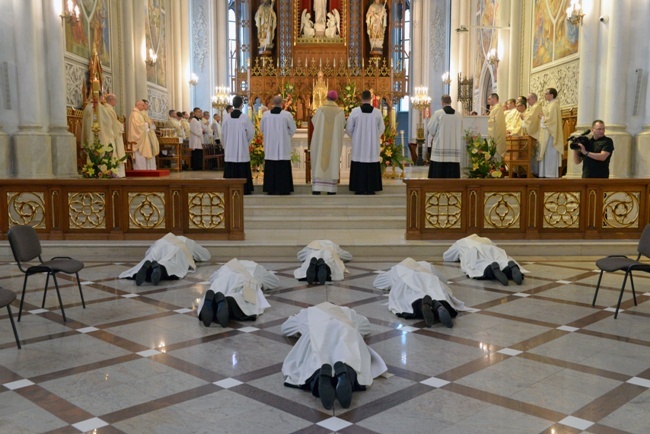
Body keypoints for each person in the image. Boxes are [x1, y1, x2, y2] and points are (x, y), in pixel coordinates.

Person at [281, 302, 387, 410]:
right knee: (350, 356)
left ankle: (319, 377)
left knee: (315, 359)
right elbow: (366, 326)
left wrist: (300, 329)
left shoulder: (308, 312)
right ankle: (346, 374)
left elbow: (285, 328)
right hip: (346, 331)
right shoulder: (348, 312)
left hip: (317, 332)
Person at [373, 258, 468, 328]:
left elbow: (378, 282)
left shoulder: (397, 268)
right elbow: (444, 279)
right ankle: (438, 304)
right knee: (438, 294)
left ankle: (422, 304)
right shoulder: (427, 265)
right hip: (430, 279)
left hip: (407, 280)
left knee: (409, 300)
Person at [197, 258, 279, 327]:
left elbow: (212, 278)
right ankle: (228, 304)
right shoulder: (258, 268)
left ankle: (211, 304)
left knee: (217, 288)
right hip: (246, 278)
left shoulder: (226, 266)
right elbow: (274, 282)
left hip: (224, 276)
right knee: (243, 298)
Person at [119, 233, 211, 286]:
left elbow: (148, 252)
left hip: (159, 245)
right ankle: (159, 269)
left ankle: (146, 269)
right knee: (172, 266)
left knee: (151, 258)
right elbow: (206, 255)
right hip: (178, 248)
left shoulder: (165, 237)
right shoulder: (188, 241)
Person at [443, 234, 528, 286]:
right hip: (493, 249)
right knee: (502, 260)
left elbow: (447, 256)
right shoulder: (486, 239)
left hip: (474, 250)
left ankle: (491, 269)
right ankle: (509, 267)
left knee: (480, 265)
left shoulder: (461, 241)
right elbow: (495, 247)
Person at [346, 90, 385, 195]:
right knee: (371, 162)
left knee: (359, 163)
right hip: (372, 145)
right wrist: (374, 137)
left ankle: (359, 188)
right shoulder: (377, 112)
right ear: (371, 98)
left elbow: (349, 128)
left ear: (361, 98)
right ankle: (371, 188)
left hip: (359, 145)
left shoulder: (355, 112)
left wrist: (355, 137)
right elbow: (381, 128)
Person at [310, 90, 345, 195]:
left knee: (319, 157)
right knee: (332, 159)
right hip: (334, 143)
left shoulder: (320, 110)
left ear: (326, 98)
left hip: (320, 142)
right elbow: (342, 126)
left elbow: (314, 122)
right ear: (336, 99)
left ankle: (317, 188)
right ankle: (331, 189)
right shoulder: (340, 111)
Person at [261, 95, 297, 195]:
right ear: (282, 103)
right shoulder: (287, 115)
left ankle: (270, 189)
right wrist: (286, 135)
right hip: (283, 146)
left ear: (273, 103)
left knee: (271, 166)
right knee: (283, 166)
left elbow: (262, 129)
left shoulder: (266, 115)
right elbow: (293, 129)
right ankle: (284, 189)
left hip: (270, 146)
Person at [223, 95, 255, 195]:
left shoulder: (226, 118)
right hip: (242, 149)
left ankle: (229, 188)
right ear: (241, 105)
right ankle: (245, 189)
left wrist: (226, 145)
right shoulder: (245, 118)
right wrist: (246, 143)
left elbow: (223, 133)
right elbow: (251, 133)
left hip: (229, 149)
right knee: (242, 166)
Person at [426, 94, 463, 178]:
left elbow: (431, 129)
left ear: (442, 102)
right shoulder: (458, 115)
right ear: (451, 102)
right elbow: (461, 131)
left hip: (440, 149)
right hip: (454, 149)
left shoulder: (438, 114)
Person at [538, 88, 564, 178]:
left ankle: (550, 174)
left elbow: (551, 121)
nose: (545, 96)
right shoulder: (550, 105)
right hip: (547, 132)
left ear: (552, 95)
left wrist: (542, 117)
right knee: (546, 154)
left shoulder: (553, 105)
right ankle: (545, 173)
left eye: (546, 94)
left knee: (550, 154)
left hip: (551, 134)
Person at [128, 100, 156, 170]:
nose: (144, 107)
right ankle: (140, 170)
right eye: (143, 105)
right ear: (138, 105)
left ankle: (143, 169)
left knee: (142, 156)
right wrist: (148, 124)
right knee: (139, 155)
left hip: (141, 136)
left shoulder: (138, 113)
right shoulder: (135, 114)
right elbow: (138, 126)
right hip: (137, 138)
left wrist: (147, 124)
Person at [104, 93, 126, 177]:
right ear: (111, 100)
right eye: (115, 100)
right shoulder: (108, 109)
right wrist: (121, 126)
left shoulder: (108, 108)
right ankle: (117, 173)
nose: (116, 102)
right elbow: (113, 123)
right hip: (112, 134)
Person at [523, 93, 542, 176]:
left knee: (535, 153)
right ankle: (532, 171)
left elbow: (532, 120)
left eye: (528, 99)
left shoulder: (536, 107)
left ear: (534, 99)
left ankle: (535, 172)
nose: (527, 101)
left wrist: (524, 118)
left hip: (535, 133)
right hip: (534, 133)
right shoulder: (533, 107)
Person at [487, 93, 506, 160]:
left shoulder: (497, 109)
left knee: (495, 157)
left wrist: (486, 122)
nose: (488, 100)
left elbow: (495, 123)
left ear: (494, 99)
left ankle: (496, 170)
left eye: (489, 99)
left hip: (496, 135)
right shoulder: (495, 108)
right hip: (493, 134)